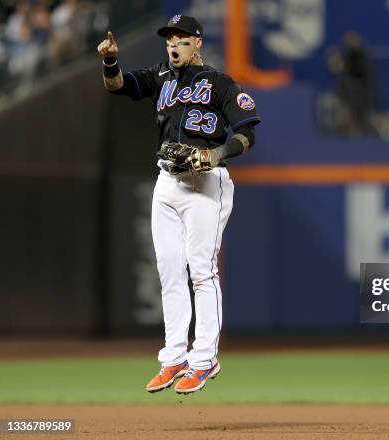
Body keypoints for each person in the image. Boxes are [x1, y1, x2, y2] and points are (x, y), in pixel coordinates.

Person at [97, 15, 260, 394]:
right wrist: (109, 61)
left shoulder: (220, 84)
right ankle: (173, 357)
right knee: (169, 270)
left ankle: (204, 359)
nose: (173, 43)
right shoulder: (161, 77)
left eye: (182, 38)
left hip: (206, 184)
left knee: (201, 271)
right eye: (169, 38)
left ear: (198, 43)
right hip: (167, 181)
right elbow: (117, 86)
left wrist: (215, 155)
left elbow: (247, 132)